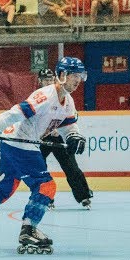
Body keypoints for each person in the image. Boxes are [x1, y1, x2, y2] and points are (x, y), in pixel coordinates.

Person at [0, 56, 89, 254]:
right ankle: (28, 230)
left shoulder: (68, 101)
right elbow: (15, 113)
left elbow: (68, 125)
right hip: (20, 144)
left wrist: (74, 136)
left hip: (14, 144)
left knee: (6, 186)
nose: (78, 80)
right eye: (74, 76)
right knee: (46, 186)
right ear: (62, 75)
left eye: (81, 76)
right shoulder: (45, 95)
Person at [34, 69, 94, 209]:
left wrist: (61, 129)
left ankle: (83, 196)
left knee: (71, 167)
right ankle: (46, 197)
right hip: (41, 139)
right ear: (39, 81)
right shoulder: (38, 97)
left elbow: (72, 116)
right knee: (39, 169)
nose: (48, 82)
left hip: (59, 138)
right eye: (45, 80)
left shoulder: (63, 96)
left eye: (50, 79)